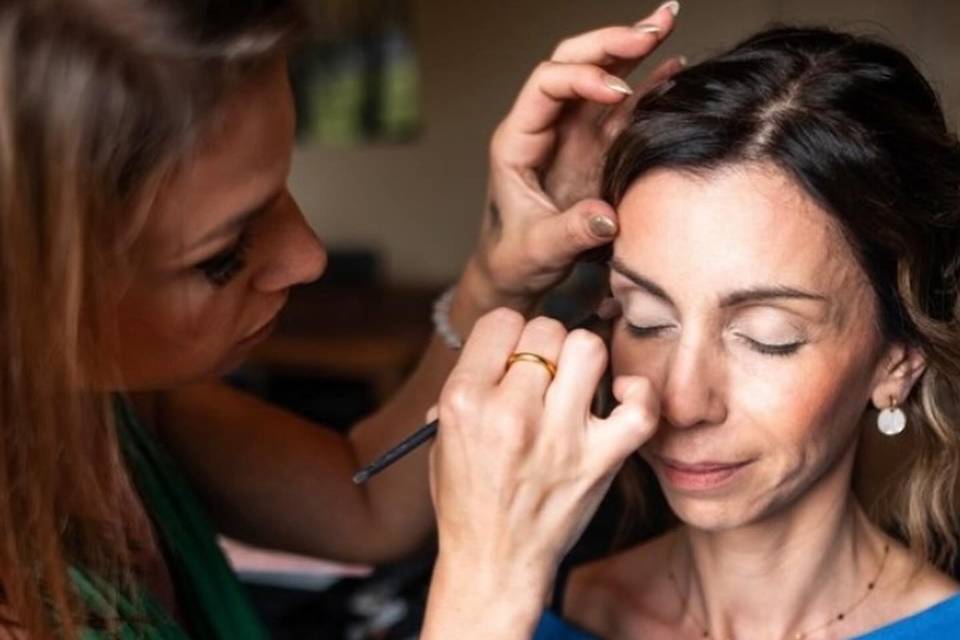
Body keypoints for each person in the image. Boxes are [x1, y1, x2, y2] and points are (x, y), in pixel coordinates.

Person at [0, 0, 687, 637]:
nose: (308, 257)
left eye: (282, 185)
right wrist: (490, 577)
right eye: (223, 252)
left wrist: (499, 278)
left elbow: (370, 506)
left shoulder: (119, 405)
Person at [527, 25, 960, 640]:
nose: (680, 401)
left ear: (897, 361)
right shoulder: (533, 606)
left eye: (767, 335)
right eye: (647, 319)